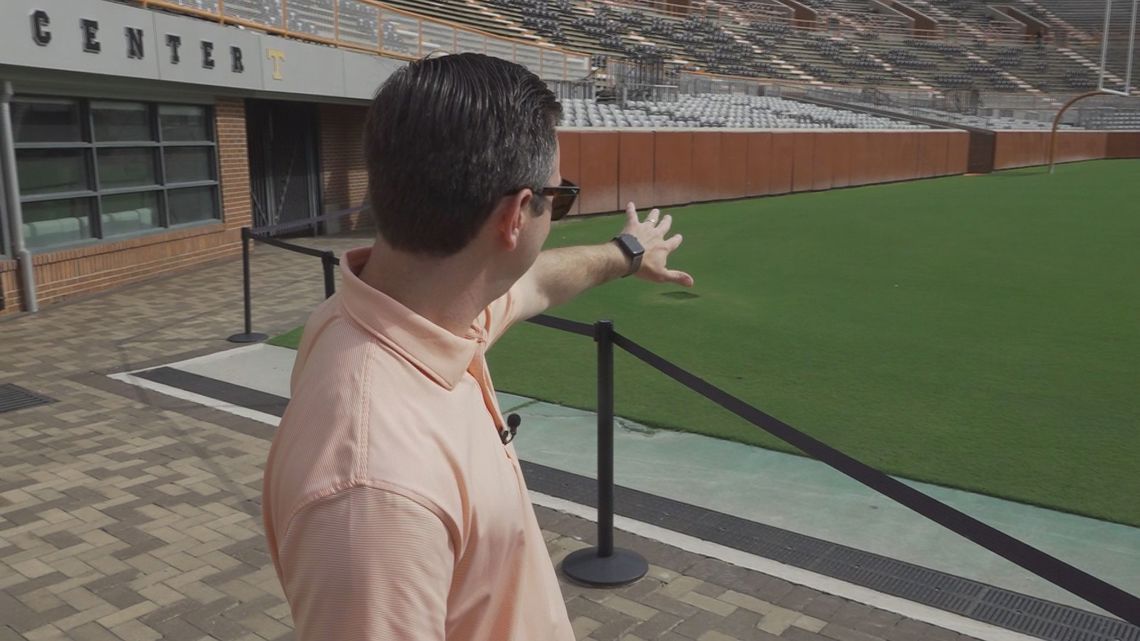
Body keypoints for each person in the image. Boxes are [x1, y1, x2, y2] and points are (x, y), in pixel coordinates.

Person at [261, 53, 693, 641]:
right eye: (558, 197)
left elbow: (537, 282)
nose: (556, 212)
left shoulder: (406, 316)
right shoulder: (375, 488)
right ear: (517, 215)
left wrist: (627, 252)